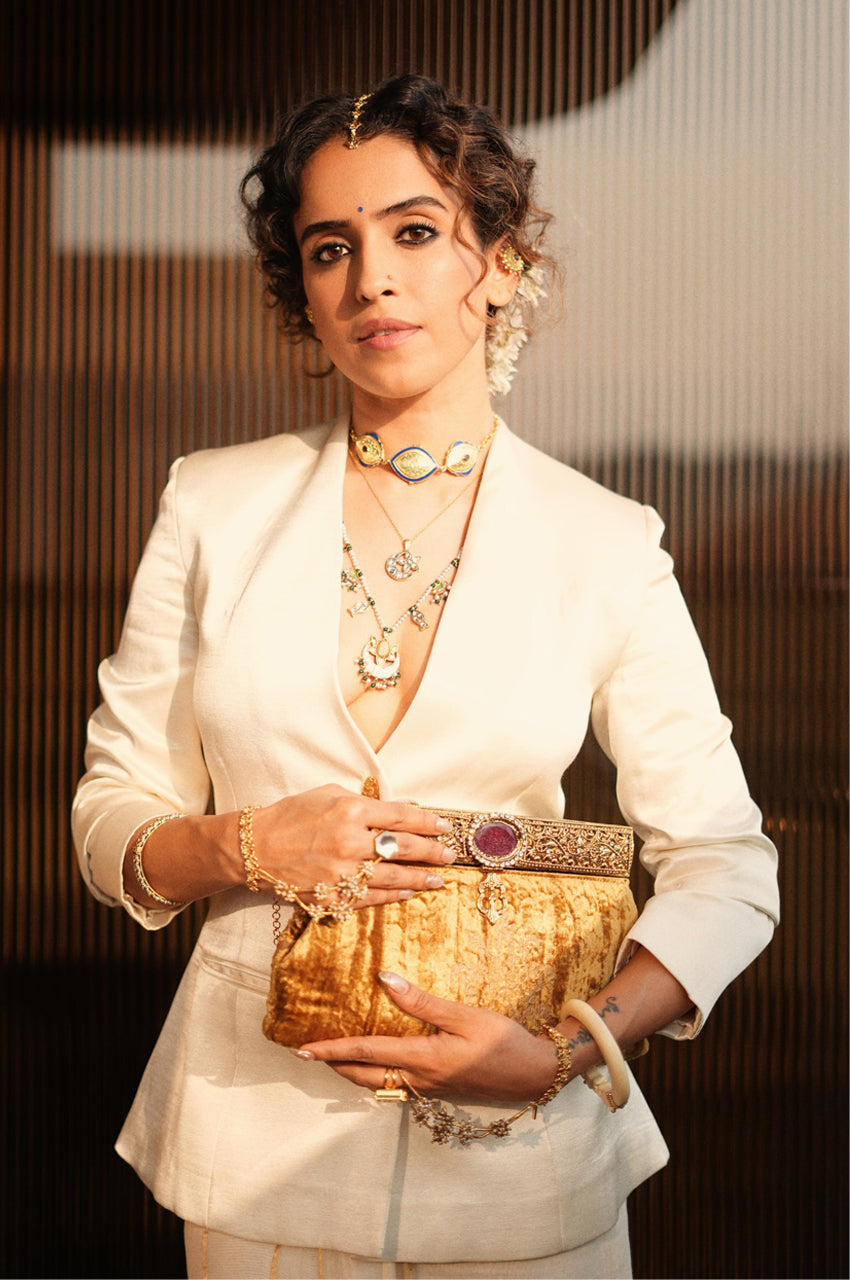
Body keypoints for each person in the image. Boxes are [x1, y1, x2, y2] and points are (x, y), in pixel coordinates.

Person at [72, 75, 779, 1280]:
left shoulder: (605, 541)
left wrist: (568, 1049)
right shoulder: (212, 503)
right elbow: (109, 823)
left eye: (412, 232)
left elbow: (726, 860)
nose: (371, 280)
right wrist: (251, 843)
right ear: (303, 288)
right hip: (253, 1148)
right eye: (329, 247)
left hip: (525, 1166)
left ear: (496, 263)